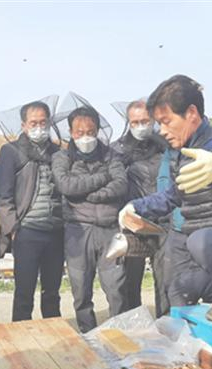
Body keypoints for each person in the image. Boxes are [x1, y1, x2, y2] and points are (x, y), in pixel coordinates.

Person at [119, 75, 212, 323]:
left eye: (166, 122)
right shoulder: (181, 153)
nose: (162, 130)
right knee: (178, 288)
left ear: (191, 113)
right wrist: (136, 206)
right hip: (203, 253)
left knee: (202, 239)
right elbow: (172, 196)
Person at [52, 104, 128, 332]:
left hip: (109, 230)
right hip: (78, 231)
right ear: (71, 133)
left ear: (98, 130)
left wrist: (90, 194)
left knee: (116, 288)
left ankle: (120, 335)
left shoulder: (111, 155)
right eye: (79, 132)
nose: (85, 136)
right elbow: (66, 185)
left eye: (90, 131)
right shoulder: (62, 157)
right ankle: (88, 335)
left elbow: (121, 184)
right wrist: (102, 178)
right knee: (80, 291)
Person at [0, 100, 64, 322]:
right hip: (27, 232)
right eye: (34, 123)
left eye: (43, 122)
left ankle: (54, 335)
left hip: (55, 231)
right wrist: (13, 229)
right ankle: (21, 336)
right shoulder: (11, 151)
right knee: (24, 293)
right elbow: (3, 195)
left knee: (52, 292)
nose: (39, 128)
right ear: (24, 125)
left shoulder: (58, 153)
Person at [111, 100, 168, 314]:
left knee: (164, 280)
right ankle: (133, 327)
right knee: (129, 282)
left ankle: (165, 324)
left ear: (153, 120)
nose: (140, 126)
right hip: (133, 223)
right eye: (135, 122)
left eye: (145, 121)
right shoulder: (117, 150)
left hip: (163, 221)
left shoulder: (166, 146)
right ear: (128, 122)